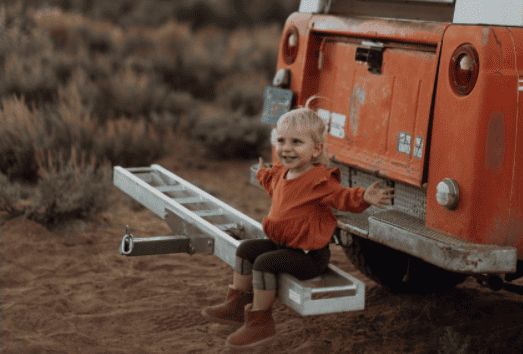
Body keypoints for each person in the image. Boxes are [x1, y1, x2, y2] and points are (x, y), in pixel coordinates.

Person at [201, 96, 395, 349]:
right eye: (281, 141)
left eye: (296, 142)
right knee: (246, 249)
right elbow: (272, 184)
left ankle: (260, 323)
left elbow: (341, 197)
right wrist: (262, 173)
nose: (286, 148)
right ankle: (237, 304)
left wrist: (364, 196)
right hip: (285, 245)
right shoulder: (283, 173)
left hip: (309, 256)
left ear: (315, 149)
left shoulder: (319, 180)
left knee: (263, 263)